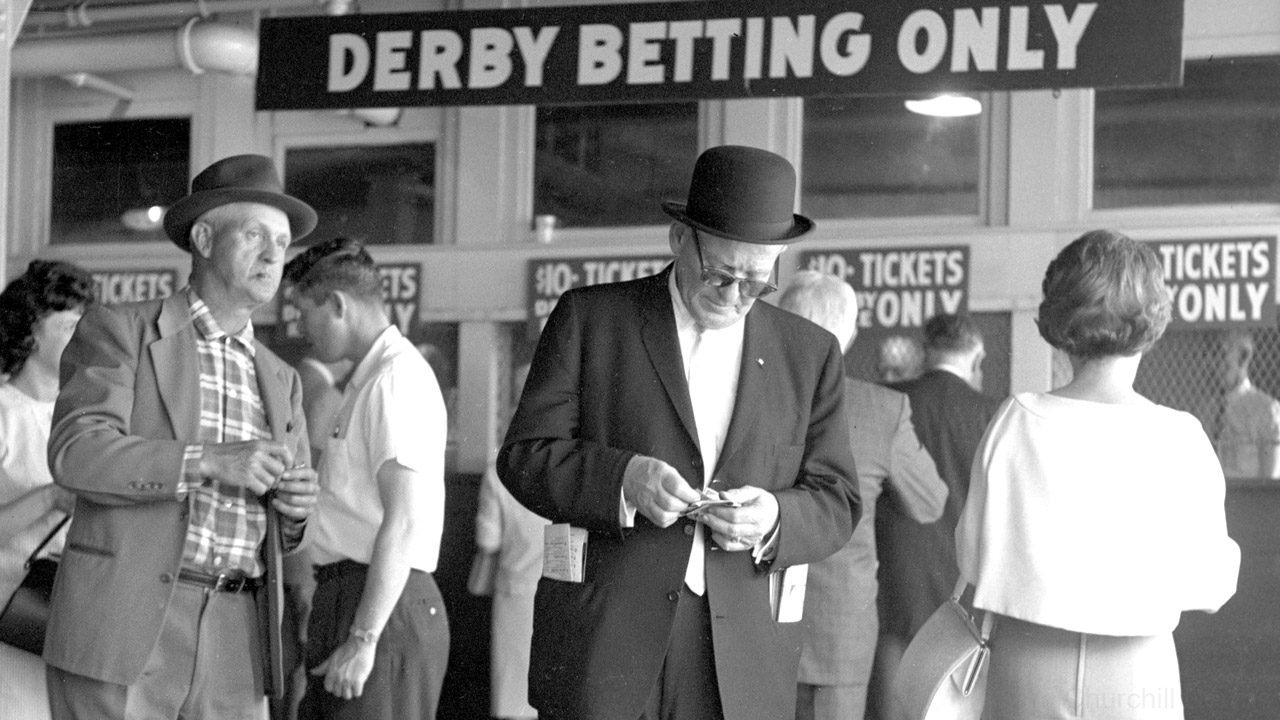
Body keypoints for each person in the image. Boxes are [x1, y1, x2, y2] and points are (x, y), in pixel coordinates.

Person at [498, 144, 860, 720]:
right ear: (678, 239)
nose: (734, 295)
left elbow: (837, 501)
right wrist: (624, 479)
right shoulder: (592, 319)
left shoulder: (809, 354)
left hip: (740, 656)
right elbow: (525, 457)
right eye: (719, 273)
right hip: (605, 641)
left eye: (755, 282)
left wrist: (771, 517)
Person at [44, 154, 321, 720]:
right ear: (202, 237)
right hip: (127, 624)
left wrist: (294, 511)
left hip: (240, 632)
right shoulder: (119, 330)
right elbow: (76, 453)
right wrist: (209, 462)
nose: (274, 255)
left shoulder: (283, 378)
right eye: (255, 235)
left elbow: (285, 528)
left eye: (283, 242)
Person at [956, 228, 1240, 719]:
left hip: (1026, 658)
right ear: (1152, 320)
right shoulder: (1180, 436)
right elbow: (1212, 583)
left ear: (1060, 320)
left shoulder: (1016, 419)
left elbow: (971, 556)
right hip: (1136, 664)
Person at [285, 237, 450, 720]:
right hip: (355, 597)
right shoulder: (368, 380)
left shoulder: (394, 381)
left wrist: (364, 638)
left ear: (337, 305)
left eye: (302, 312)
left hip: (382, 608)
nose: (299, 329)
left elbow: (403, 521)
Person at [776, 271, 946, 720]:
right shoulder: (882, 410)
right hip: (838, 630)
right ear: (847, 335)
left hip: (746, 620)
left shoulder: (743, 400)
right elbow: (930, 501)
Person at [874, 312, 1001, 719]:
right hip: (963, 577)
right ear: (977, 357)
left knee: (893, 697)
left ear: (925, 351)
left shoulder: (888, 401)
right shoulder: (992, 413)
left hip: (895, 572)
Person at [0, 260, 95, 720]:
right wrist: (51, 497)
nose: (84, 337)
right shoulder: (4, 413)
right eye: (70, 325)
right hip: (12, 618)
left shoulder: (88, 417)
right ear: (31, 330)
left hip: (76, 616)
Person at [473, 361, 549, 720]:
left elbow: (488, 542)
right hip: (569, 596)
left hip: (515, 596)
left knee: (514, 701)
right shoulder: (576, 464)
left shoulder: (498, 471)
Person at [1207, 329, 1280, 479]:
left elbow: (1271, 477)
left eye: (1222, 354)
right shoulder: (1207, 407)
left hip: (1247, 497)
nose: (1214, 364)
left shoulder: (1266, 409)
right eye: (1212, 355)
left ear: (1243, 357)